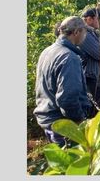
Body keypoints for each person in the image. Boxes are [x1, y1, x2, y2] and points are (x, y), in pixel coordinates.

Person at [33, 16, 92, 147]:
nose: (85, 35)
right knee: (73, 165)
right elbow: (67, 99)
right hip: (63, 124)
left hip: (48, 119)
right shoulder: (69, 58)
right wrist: (79, 121)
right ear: (76, 32)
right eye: (84, 31)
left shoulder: (47, 51)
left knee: (59, 164)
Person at [79, 7, 100, 111]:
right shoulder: (84, 34)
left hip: (98, 76)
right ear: (89, 19)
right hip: (93, 78)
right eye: (98, 19)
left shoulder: (94, 32)